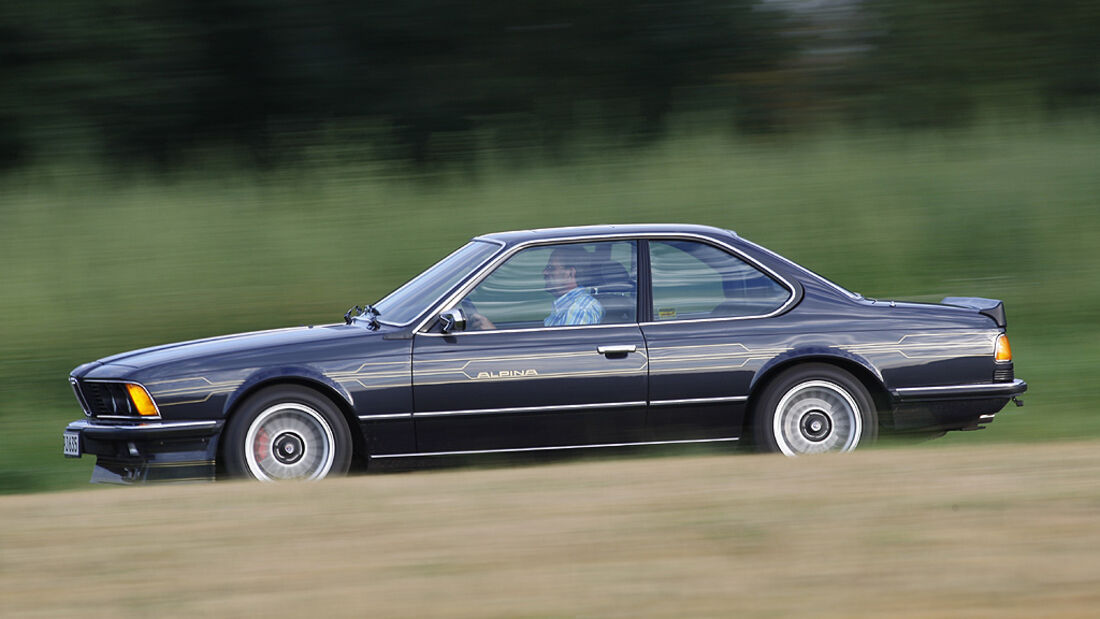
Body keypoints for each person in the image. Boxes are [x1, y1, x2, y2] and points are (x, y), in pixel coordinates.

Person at [468, 245, 604, 330]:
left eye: (551, 268)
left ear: (570, 273)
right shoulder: (568, 307)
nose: (544, 272)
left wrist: (493, 335)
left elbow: (559, 356)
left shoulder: (579, 309)